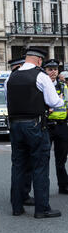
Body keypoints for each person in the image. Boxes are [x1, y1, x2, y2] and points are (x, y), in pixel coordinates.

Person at [5, 47, 64, 219]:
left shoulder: (11, 77)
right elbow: (53, 101)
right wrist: (59, 101)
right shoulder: (41, 76)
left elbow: (7, 99)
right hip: (35, 125)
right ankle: (42, 209)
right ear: (39, 60)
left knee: (18, 165)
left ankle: (17, 207)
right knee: (39, 166)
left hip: (15, 125)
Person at [7, 57, 34, 207]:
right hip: (30, 124)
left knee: (17, 164)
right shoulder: (26, 79)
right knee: (29, 162)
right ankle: (24, 194)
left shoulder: (8, 81)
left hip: (14, 124)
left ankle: (17, 199)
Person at [43, 59, 68, 194]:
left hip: (61, 126)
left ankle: (63, 186)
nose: (53, 72)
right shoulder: (42, 85)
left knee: (61, 159)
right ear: (45, 71)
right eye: (50, 69)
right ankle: (43, 188)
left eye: (55, 69)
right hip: (47, 126)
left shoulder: (63, 86)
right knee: (44, 159)